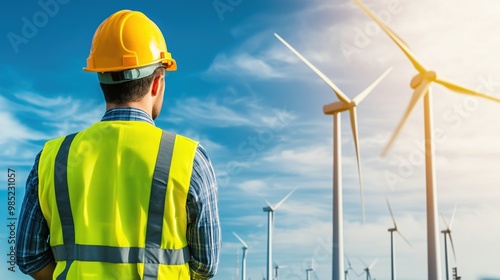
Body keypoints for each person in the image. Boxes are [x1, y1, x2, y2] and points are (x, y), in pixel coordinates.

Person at [16, 9, 221, 280]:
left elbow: (28, 256)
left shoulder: (52, 158)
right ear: (158, 82)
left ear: (101, 79)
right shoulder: (189, 158)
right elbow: (206, 265)